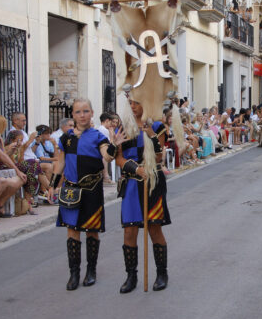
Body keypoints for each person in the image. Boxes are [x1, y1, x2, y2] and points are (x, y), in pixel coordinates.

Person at [48, 99, 124, 291]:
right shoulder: (65, 139)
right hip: (71, 190)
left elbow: (106, 156)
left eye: (85, 111)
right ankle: (74, 273)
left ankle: (91, 271)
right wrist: (52, 186)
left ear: (91, 113)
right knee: (72, 230)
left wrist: (114, 145)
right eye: (78, 112)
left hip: (92, 189)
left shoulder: (99, 137)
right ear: (73, 115)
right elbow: (60, 163)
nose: (82, 115)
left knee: (92, 230)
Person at [115, 99, 171, 293]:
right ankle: (131, 276)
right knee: (130, 230)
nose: (133, 107)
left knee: (154, 228)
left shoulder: (156, 125)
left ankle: (162, 273)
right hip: (131, 183)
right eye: (130, 103)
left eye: (137, 103)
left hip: (152, 183)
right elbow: (119, 158)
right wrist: (135, 168)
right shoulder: (123, 127)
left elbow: (158, 157)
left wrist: (152, 136)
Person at [10, 112, 49, 205]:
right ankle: (49, 190)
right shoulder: (13, 133)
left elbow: (29, 150)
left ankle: (46, 191)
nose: (25, 123)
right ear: (15, 121)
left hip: (31, 160)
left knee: (37, 166)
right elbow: (20, 151)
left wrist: (36, 142)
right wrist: (31, 139)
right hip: (23, 162)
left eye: (25, 120)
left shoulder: (23, 132)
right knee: (36, 166)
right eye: (23, 120)